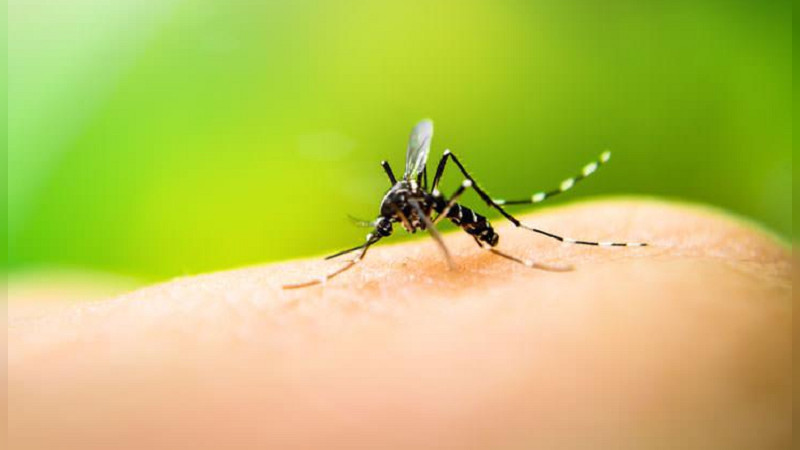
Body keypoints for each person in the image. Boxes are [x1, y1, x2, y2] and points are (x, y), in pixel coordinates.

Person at [7, 199, 792, 449]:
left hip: (480, 224)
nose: (387, 231)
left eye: (385, 226)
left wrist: (467, 247)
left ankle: (513, 241)